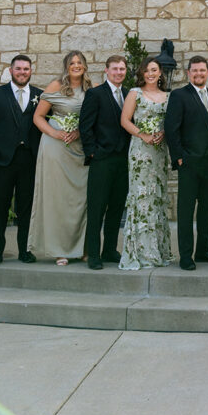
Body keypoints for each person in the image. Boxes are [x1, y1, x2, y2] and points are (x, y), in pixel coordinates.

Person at [0, 55, 42, 267]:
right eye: (19, 68)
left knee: (26, 208)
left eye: (26, 69)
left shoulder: (40, 96)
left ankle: (24, 250)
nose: (23, 72)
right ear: (11, 71)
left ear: (31, 71)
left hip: (29, 160)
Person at [28, 51, 91, 265]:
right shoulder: (56, 86)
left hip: (79, 148)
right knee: (58, 199)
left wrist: (80, 132)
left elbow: (93, 118)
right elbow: (38, 116)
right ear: (66, 66)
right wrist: (56, 133)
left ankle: (81, 247)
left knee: (80, 199)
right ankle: (59, 250)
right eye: (72, 63)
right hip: (55, 147)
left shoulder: (90, 88)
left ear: (85, 66)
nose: (76, 66)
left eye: (79, 63)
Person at [164, 55, 208, 270]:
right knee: (186, 211)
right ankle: (187, 255)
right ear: (188, 73)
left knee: (207, 209)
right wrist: (178, 156)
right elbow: (171, 127)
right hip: (188, 162)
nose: (199, 74)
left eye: (202, 70)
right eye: (195, 71)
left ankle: (204, 250)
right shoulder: (179, 95)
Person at [118, 57, 172, 270]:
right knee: (141, 197)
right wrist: (143, 135)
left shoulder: (168, 96)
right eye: (147, 70)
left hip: (160, 152)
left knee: (157, 198)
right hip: (140, 152)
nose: (151, 74)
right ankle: (140, 251)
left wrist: (162, 132)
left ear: (160, 73)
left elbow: (172, 121)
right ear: (142, 73)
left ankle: (157, 249)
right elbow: (125, 120)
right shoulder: (135, 93)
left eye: (154, 70)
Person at [79, 54, 131, 270]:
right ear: (106, 70)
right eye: (115, 69)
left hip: (123, 160)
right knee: (97, 207)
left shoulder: (129, 95)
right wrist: (93, 152)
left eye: (122, 69)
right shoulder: (95, 94)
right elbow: (85, 126)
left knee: (117, 207)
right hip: (102, 159)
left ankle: (109, 249)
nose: (119, 72)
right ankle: (93, 254)